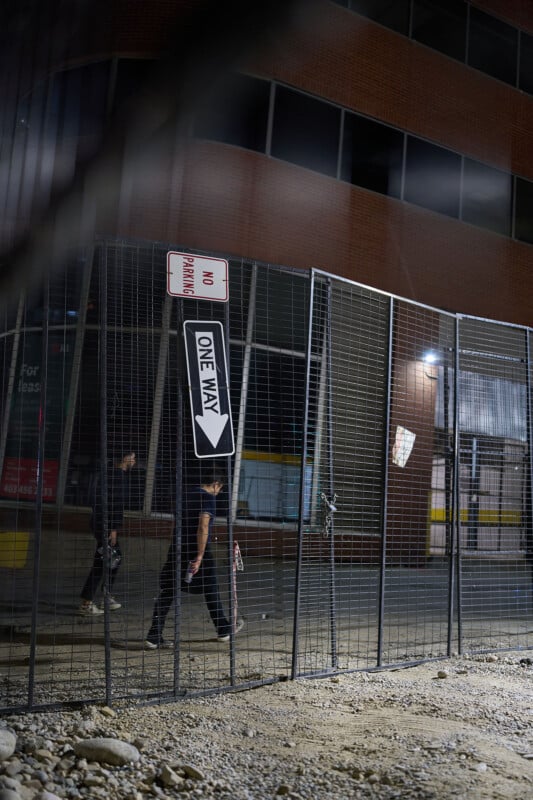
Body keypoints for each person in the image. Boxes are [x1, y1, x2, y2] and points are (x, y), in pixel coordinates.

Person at [144, 467, 243, 648]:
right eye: (220, 489)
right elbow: (203, 526)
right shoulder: (207, 498)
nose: (219, 492)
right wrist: (199, 555)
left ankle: (154, 634)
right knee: (211, 587)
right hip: (196, 549)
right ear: (215, 484)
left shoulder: (185, 495)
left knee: (168, 590)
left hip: (177, 547)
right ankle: (223, 629)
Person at [78, 450, 136, 616]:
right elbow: (114, 505)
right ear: (125, 458)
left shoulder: (111, 475)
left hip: (100, 523)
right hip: (105, 526)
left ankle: (105, 596)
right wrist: (113, 529)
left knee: (112, 559)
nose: (134, 461)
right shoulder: (117, 477)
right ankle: (88, 603)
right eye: (132, 458)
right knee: (105, 561)